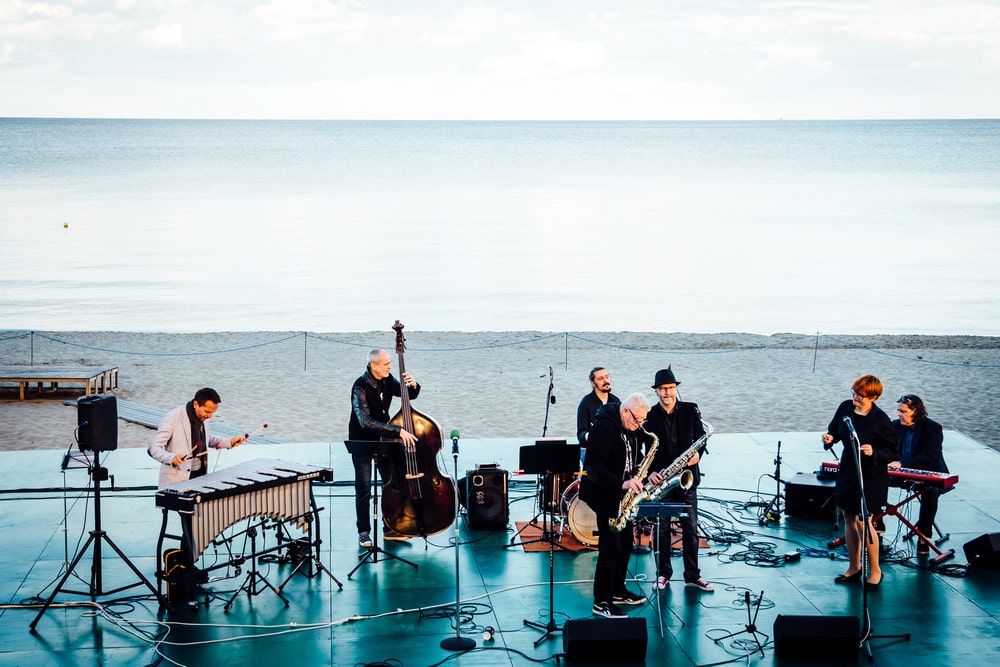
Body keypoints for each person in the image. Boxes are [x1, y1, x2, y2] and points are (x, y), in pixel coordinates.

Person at [822, 374, 898, 591]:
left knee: (865, 521)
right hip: (848, 469)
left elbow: (893, 450)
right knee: (848, 517)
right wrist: (829, 438)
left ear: (873, 396)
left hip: (871, 475)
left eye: (861, 395)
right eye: (854, 392)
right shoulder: (845, 408)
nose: (855, 397)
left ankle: (875, 570)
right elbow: (835, 431)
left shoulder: (880, 419)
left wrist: (874, 451)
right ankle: (854, 567)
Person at [580, 393, 651, 618]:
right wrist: (623, 483)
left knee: (626, 544)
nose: (640, 425)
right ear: (625, 411)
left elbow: (632, 456)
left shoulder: (632, 429)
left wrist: (642, 469)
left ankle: (618, 591)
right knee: (610, 549)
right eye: (637, 419)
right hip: (603, 494)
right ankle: (601, 601)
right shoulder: (604, 429)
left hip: (623, 495)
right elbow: (593, 469)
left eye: (643, 420)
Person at [644, 366, 714, 592]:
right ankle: (663, 574)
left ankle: (692, 575)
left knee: (691, 529)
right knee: (661, 531)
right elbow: (646, 449)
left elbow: (701, 439)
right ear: (656, 391)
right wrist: (650, 472)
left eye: (671, 388)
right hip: (663, 481)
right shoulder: (650, 416)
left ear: (676, 389)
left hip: (687, 479)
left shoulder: (690, 411)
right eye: (663, 389)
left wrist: (696, 457)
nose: (667, 393)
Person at [348, 348, 420, 548]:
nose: (390, 367)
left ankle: (390, 527)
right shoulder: (359, 387)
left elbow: (408, 396)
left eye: (390, 363)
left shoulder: (388, 379)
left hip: (383, 440)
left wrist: (413, 385)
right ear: (374, 366)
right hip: (361, 441)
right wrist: (398, 431)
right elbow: (365, 422)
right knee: (363, 489)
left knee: (390, 484)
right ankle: (363, 532)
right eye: (386, 364)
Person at [147, 387, 245, 490]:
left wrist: (229, 442)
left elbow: (207, 439)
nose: (210, 416)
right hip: (177, 478)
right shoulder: (172, 417)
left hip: (200, 475)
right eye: (207, 412)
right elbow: (153, 448)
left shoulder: (204, 417)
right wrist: (171, 458)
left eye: (212, 412)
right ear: (195, 404)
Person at [890, 394, 948, 556]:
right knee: (873, 481)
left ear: (915, 411)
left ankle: (924, 536)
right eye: (898, 410)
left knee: (931, 492)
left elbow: (929, 456)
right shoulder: (895, 426)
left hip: (926, 472)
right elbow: (887, 448)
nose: (899, 414)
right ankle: (877, 524)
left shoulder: (933, 429)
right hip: (899, 473)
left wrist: (902, 464)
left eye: (903, 411)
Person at [576, 367, 619, 446]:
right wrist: (590, 435)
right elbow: (581, 434)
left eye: (607, 377)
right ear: (592, 383)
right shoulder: (585, 403)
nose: (606, 381)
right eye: (600, 379)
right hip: (592, 448)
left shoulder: (616, 401)